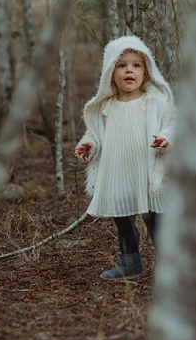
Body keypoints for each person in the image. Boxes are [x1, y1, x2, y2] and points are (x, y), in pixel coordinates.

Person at [75, 35, 176, 279]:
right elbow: (96, 133)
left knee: (156, 220)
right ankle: (130, 263)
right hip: (118, 172)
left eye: (136, 65)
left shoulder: (156, 101)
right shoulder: (105, 106)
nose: (129, 70)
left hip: (147, 170)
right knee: (121, 218)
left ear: (147, 71)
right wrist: (89, 144)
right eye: (122, 65)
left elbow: (174, 123)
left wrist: (166, 137)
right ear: (111, 72)